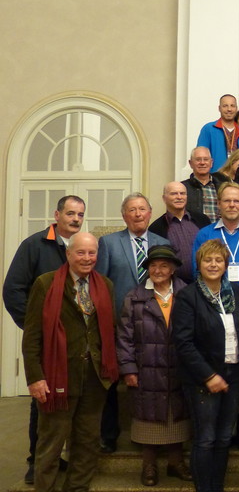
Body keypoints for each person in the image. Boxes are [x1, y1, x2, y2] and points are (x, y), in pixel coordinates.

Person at [21, 231, 114, 492]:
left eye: (92, 253)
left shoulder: (105, 285)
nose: (87, 258)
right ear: (68, 254)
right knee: (51, 444)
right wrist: (35, 377)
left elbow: (110, 330)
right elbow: (32, 337)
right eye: (81, 252)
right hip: (56, 378)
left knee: (87, 443)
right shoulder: (45, 284)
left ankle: (77, 488)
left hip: (95, 379)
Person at [2, 195, 86, 483]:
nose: (75, 219)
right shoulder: (35, 245)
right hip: (47, 341)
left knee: (71, 400)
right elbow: (13, 290)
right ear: (57, 214)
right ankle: (35, 462)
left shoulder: (82, 248)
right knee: (42, 399)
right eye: (70, 213)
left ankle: (60, 457)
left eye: (80, 215)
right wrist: (37, 327)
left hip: (75, 342)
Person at [172, 239, 239, 492]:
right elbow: (183, 343)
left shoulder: (236, 293)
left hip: (234, 375)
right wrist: (208, 375)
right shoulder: (187, 296)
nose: (213, 264)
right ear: (199, 264)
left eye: (218, 260)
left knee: (225, 437)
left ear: (226, 264)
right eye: (208, 260)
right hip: (202, 380)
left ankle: (218, 486)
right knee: (205, 439)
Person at [96, 193, 170, 452]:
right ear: (123, 215)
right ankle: (109, 436)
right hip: (120, 325)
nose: (137, 214)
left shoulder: (162, 242)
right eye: (132, 210)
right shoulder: (108, 243)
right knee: (113, 382)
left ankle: (154, 436)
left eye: (142, 209)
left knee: (153, 381)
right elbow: (101, 285)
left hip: (156, 325)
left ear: (150, 213)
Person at [116, 245, 192, 486]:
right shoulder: (134, 297)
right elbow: (124, 337)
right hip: (146, 369)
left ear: (173, 270)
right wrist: (128, 368)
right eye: (153, 266)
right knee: (148, 419)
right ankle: (148, 467)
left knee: (177, 418)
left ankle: (175, 463)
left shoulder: (187, 294)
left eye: (164, 266)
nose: (158, 270)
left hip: (179, 369)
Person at [149, 182, 211, 285]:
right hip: (175, 287)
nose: (179, 197)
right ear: (164, 198)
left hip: (205, 282)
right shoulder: (156, 228)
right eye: (174, 194)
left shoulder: (202, 220)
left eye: (182, 193)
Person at [196, 94, 239, 171]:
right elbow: (200, 156)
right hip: (216, 177)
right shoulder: (209, 129)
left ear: (236, 109)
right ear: (219, 108)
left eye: (232, 106)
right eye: (225, 106)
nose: (229, 109)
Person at [183, 146, 226, 222]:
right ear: (190, 163)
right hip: (194, 232)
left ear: (211, 163)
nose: (202, 163)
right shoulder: (183, 188)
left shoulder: (223, 187)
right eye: (198, 159)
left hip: (219, 232)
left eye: (206, 159)